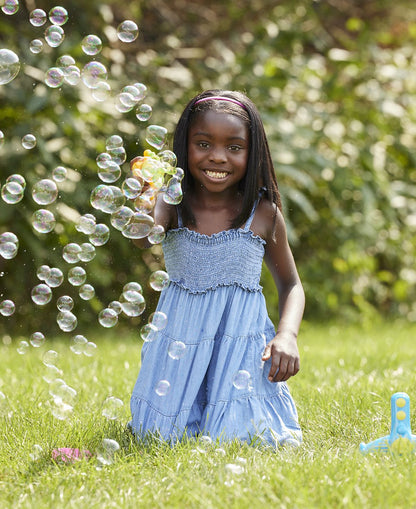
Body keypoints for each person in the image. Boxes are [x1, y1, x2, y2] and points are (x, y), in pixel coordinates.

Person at [129, 90, 305, 447]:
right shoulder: (171, 204)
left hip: (239, 349)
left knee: (247, 437)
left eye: (234, 147)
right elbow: (141, 234)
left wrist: (287, 335)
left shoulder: (263, 213)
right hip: (179, 344)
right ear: (184, 147)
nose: (218, 157)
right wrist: (147, 195)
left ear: (252, 152)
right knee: (157, 437)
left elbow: (291, 285)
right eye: (203, 144)